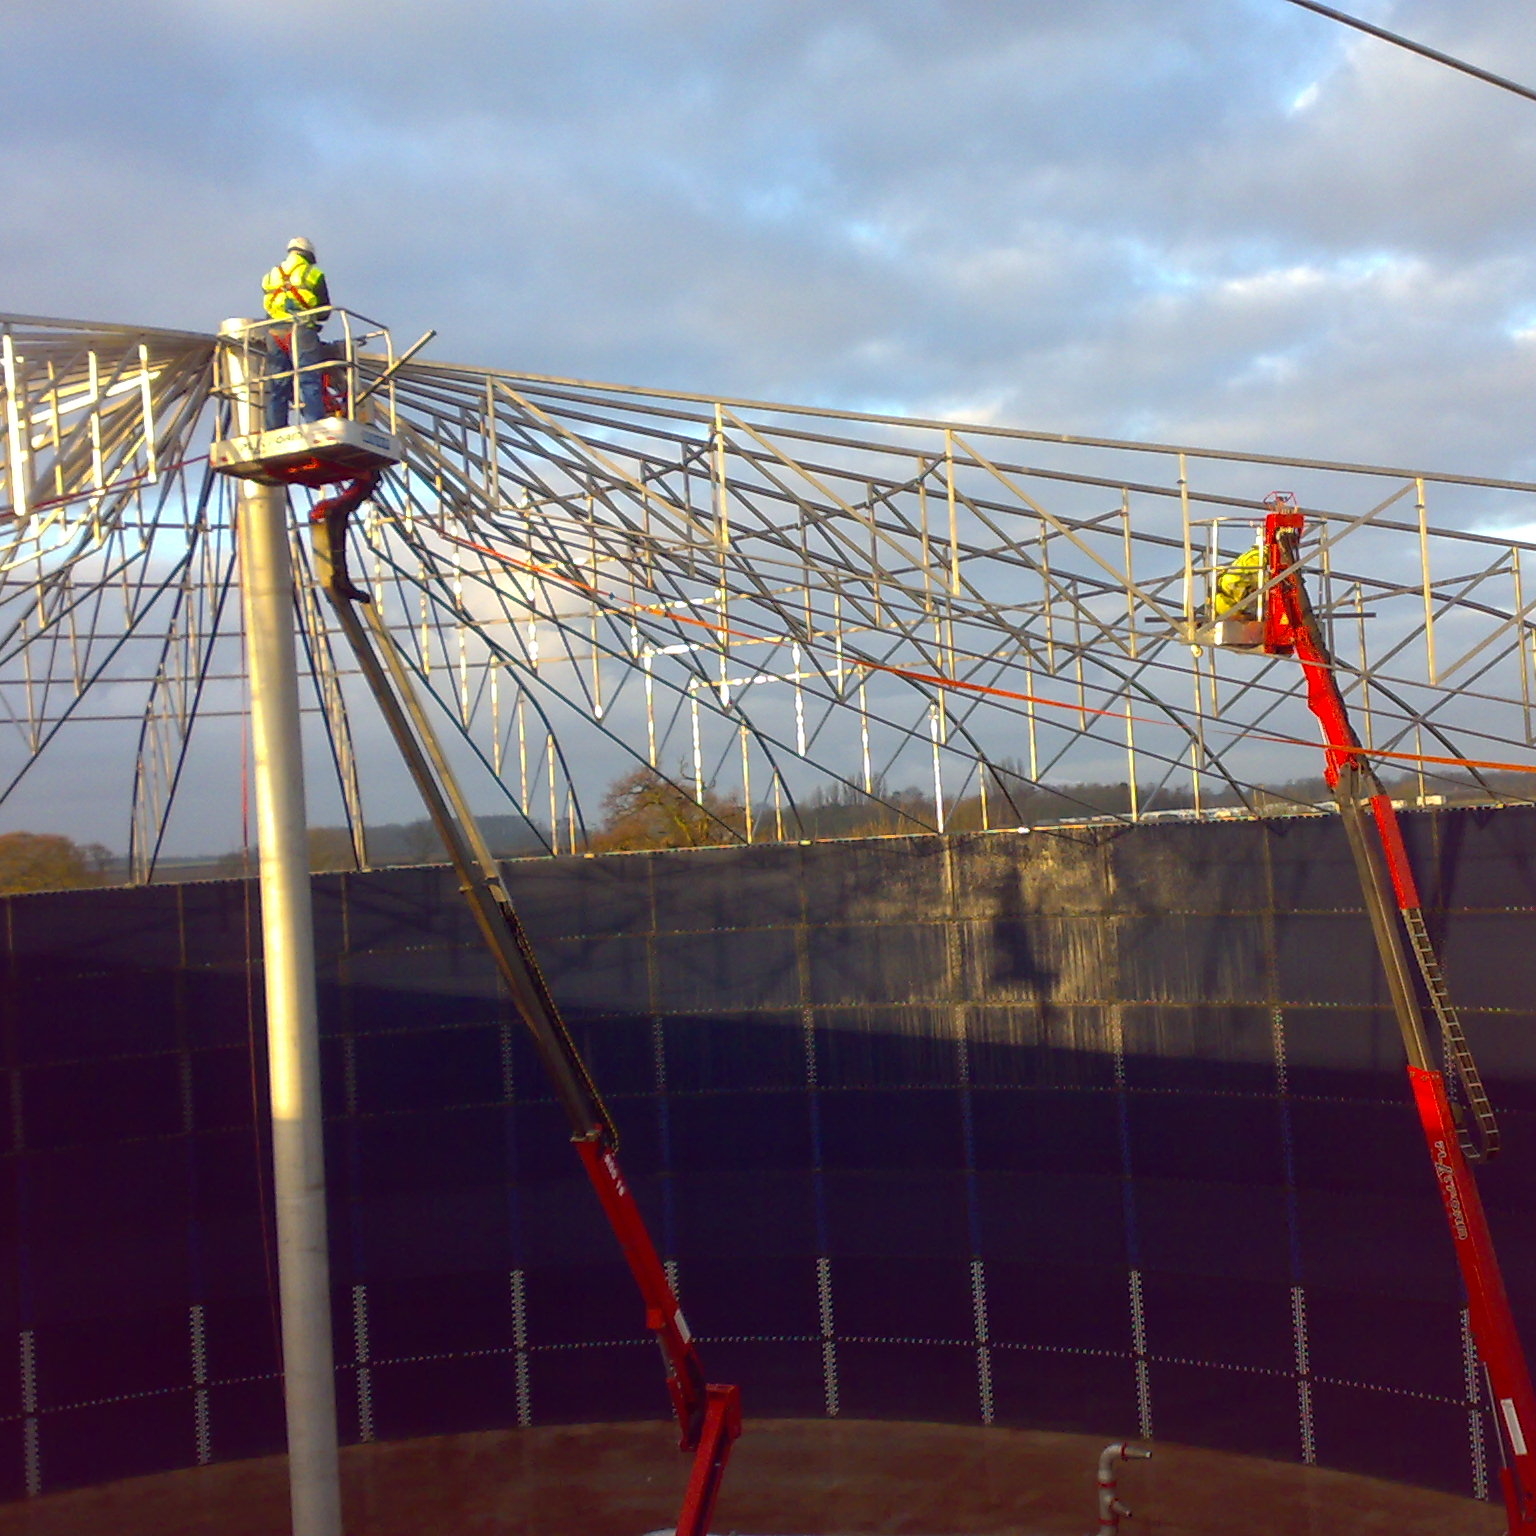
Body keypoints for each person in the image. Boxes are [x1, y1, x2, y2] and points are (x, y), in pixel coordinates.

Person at [260, 237, 331, 430]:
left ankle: (274, 428)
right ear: (309, 255)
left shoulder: (271, 275)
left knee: (278, 383)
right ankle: (316, 425)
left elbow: (269, 307)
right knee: (309, 380)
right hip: (301, 330)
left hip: (274, 332)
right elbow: (325, 312)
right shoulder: (313, 273)